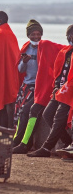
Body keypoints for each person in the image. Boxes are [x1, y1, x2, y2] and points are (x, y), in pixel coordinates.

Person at [13, 20, 64, 154]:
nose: (36, 37)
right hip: (27, 86)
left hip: (41, 88)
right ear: (28, 35)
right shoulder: (25, 48)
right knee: (20, 112)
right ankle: (17, 141)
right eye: (33, 34)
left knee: (29, 110)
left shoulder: (46, 47)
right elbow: (19, 69)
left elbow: (63, 50)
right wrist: (24, 63)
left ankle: (23, 143)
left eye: (38, 34)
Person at [27, 25, 73, 157]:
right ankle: (67, 141)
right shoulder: (66, 52)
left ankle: (46, 148)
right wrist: (56, 87)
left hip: (69, 93)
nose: (69, 39)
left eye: (70, 36)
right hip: (60, 91)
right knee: (47, 114)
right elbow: (59, 74)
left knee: (59, 118)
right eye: (68, 37)